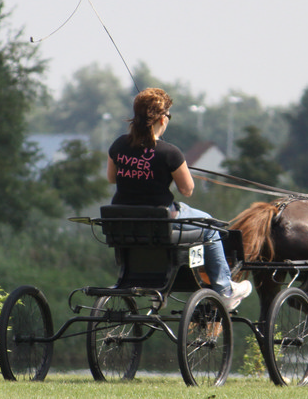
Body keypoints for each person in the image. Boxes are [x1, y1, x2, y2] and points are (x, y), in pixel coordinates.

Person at [107, 87, 253, 310]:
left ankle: (156, 287)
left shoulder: (118, 145)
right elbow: (187, 189)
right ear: (162, 119)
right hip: (160, 223)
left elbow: (111, 178)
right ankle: (225, 290)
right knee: (210, 226)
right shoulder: (170, 152)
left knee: (188, 217)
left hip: (124, 225)